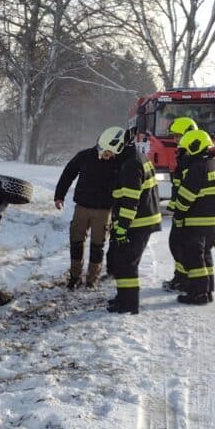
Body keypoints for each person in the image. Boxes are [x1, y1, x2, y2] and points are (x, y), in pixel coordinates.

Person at [102, 126, 162, 315]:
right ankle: (123, 298)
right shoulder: (131, 159)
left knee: (127, 264)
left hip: (139, 223)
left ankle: (129, 305)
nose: (107, 155)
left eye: (108, 151)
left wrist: (122, 229)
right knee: (121, 261)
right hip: (138, 220)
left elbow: (130, 201)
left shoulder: (131, 164)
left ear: (118, 146)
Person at [54, 131, 120, 289]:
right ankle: (75, 277)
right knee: (76, 242)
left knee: (98, 245)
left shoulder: (117, 162)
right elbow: (67, 174)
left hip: (104, 210)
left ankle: (92, 279)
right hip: (82, 207)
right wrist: (59, 196)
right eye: (107, 151)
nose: (110, 154)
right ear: (100, 145)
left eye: (113, 151)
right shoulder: (84, 156)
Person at [168, 129, 215, 305]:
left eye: (185, 150)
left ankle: (198, 294)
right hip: (214, 221)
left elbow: (185, 198)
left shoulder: (197, 168)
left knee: (194, 258)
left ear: (194, 147)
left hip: (195, 221)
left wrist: (178, 216)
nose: (183, 154)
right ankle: (208, 290)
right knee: (206, 255)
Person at [162, 116, 198, 292]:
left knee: (180, 246)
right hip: (181, 210)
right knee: (176, 245)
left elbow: (188, 187)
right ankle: (180, 278)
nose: (175, 140)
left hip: (187, 212)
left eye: (178, 136)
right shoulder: (185, 156)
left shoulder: (190, 159)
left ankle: (184, 281)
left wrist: (181, 209)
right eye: (174, 136)